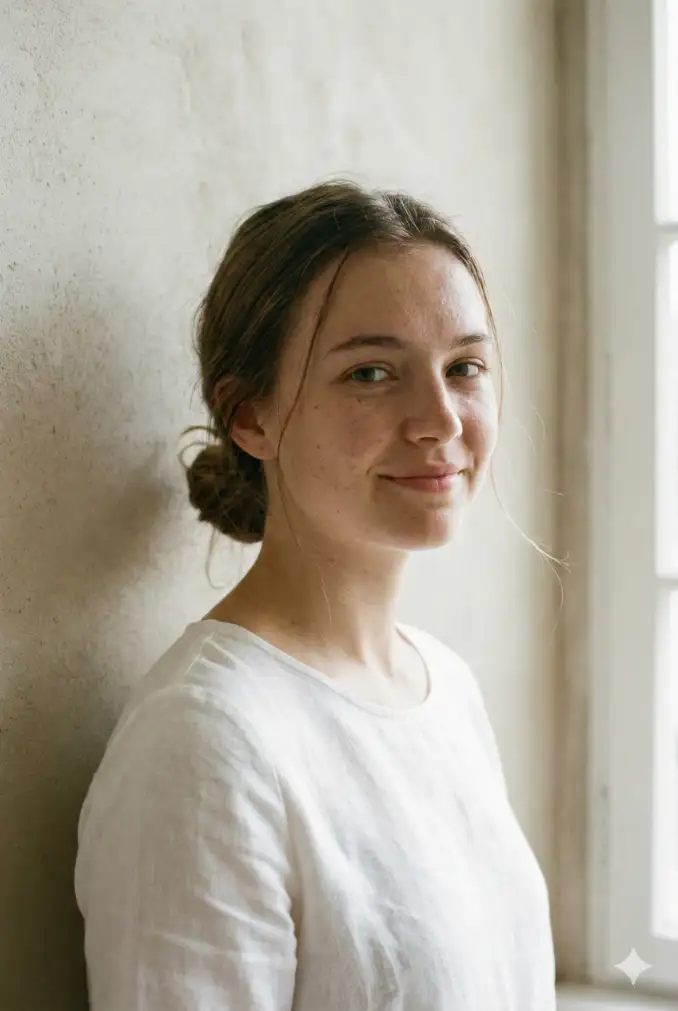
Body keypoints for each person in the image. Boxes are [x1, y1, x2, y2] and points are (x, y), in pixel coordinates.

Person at [74, 179, 557, 1010]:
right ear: (250, 417)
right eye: (372, 372)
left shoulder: (445, 688)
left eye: (464, 367)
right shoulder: (204, 743)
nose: (441, 418)